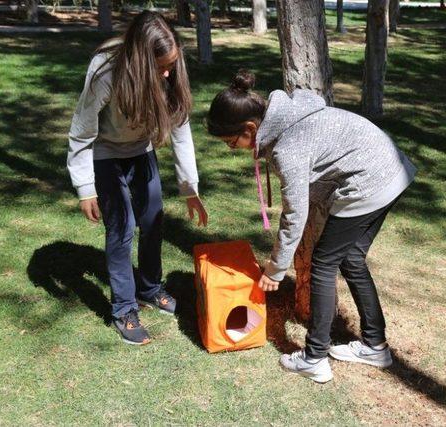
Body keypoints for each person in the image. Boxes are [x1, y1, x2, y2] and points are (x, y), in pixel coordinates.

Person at [206, 71, 416, 383]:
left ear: (250, 128)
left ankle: (314, 357)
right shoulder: (291, 116)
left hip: (371, 181)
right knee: (351, 258)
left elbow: (294, 215)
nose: (230, 148)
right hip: (392, 171)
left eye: (230, 140)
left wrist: (275, 269)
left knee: (323, 263)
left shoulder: (288, 146)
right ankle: (375, 346)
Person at [67, 11, 208, 346]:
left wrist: (190, 189)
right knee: (122, 228)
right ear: (140, 61)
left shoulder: (171, 75)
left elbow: (181, 132)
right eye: (160, 66)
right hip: (105, 151)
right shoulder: (105, 73)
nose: (167, 72)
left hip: (141, 150)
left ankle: (149, 288)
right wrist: (85, 187)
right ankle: (124, 308)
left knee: (153, 218)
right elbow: (82, 131)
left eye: (171, 64)